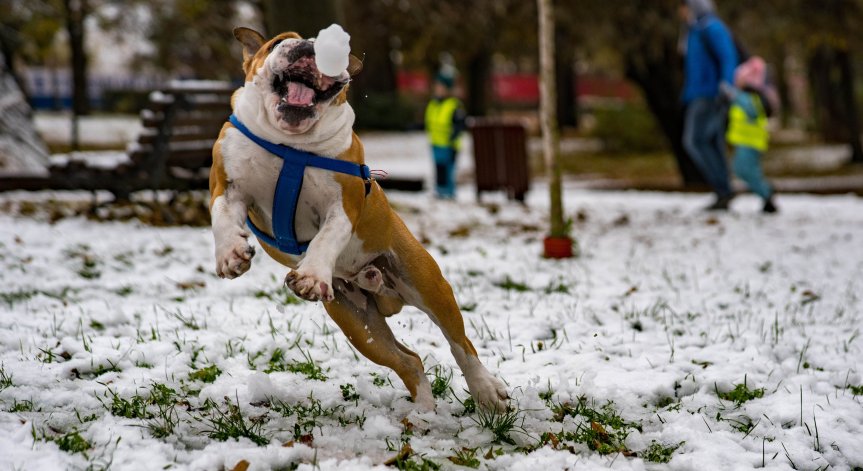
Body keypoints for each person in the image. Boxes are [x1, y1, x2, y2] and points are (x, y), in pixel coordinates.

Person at [679, 0, 738, 210]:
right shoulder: (693, 31)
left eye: (684, 6)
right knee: (711, 141)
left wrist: (726, 84)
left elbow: (727, 56)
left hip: (711, 94)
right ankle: (723, 190)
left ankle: (723, 188)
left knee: (695, 141)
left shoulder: (711, 28)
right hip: (698, 93)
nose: (681, 12)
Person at [725, 57, 778, 213]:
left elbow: (751, 111)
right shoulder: (747, 97)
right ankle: (766, 193)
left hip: (750, 141)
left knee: (744, 170)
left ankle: (766, 192)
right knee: (744, 170)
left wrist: (734, 97)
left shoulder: (750, 98)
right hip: (745, 141)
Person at [425, 73, 466, 199]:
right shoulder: (433, 104)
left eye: (441, 87)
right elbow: (429, 122)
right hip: (436, 144)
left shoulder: (454, 105)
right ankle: (440, 191)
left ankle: (449, 193)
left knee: (448, 170)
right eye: (437, 86)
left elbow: (460, 124)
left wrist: (454, 137)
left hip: (449, 145)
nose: (438, 89)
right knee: (439, 169)